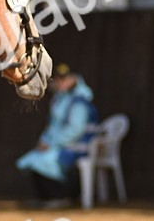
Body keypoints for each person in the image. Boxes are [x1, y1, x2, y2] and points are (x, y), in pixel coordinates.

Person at [16, 63, 98, 208]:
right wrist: (43, 141)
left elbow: (75, 130)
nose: (61, 82)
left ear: (75, 79)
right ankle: (46, 198)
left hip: (75, 146)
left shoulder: (79, 101)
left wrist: (51, 144)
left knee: (44, 161)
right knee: (33, 158)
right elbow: (52, 126)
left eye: (65, 79)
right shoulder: (59, 99)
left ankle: (61, 196)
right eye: (59, 79)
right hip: (57, 144)